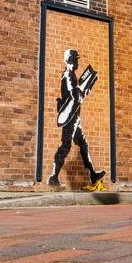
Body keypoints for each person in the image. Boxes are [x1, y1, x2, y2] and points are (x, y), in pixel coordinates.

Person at [47, 49, 105, 186]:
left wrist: (87, 87)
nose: (77, 62)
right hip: (70, 118)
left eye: (77, 59)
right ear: (69, 61)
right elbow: (76, 96)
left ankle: (92, 174)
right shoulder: (68, 76)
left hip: (74, 118)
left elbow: (79, 96)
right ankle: (53, 177)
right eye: (75, 60)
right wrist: (87, 85)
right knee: (66, 146)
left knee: (83, 145)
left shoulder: (71, 75)